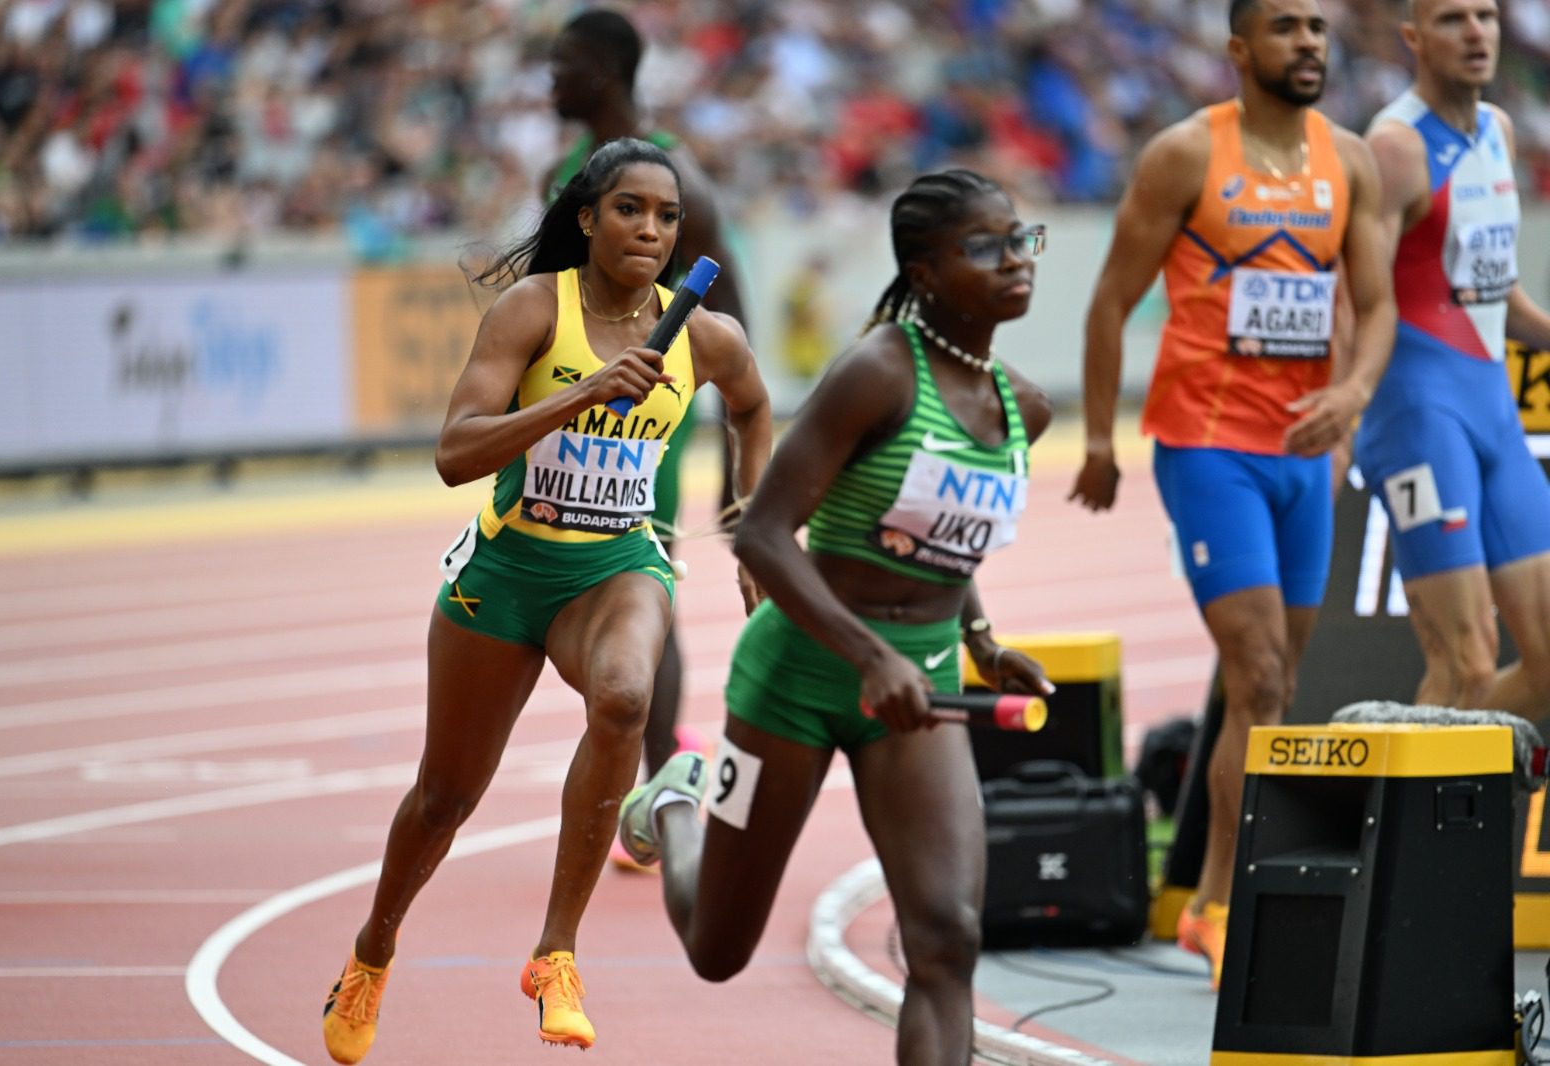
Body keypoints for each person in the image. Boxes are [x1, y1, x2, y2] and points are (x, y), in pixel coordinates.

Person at [320, 137, 771, 1063]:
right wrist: (582, 395)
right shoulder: (535, 309)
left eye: (667, 215)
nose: (650, 229)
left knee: (624, 701)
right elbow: (456, 452)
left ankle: (555, 952)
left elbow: (756, 405)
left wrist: (747, 514)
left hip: (616, 568)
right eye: (629, 209)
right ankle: (373, 953)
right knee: (445, 798)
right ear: (587, 219)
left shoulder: (702, 333)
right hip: (506, 574)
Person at [618, 169, 1057, 1066]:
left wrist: (978, 638)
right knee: (716, 950)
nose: (1015, 261)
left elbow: (937, 539)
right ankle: (674, 805)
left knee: (948, 937)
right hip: (801, 675)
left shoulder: (1023, 406)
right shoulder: (877, 373)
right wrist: (867, 656)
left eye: (1023, 240)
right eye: (986, 247)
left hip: (920, 683)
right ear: (926, 271)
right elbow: (766, 539)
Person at [1068, 0, 1396, 989]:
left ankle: (1215, 894)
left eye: (1318, 29)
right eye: (1286, 27)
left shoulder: (1350, 160)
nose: (1308, 44)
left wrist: (1351, 392)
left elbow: (1373, 304)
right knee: (1254, 676)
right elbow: (1110, 302)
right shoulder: (1183, 156)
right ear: (1238, 49)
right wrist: (1094, 436)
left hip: (1306, 455)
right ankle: (1217, 901)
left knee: (1276, 689)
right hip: (1208, 447)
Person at [544, 9, 752, 866]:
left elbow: (732, 320)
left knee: (643, 574)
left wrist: (741, 469)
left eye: (564, 63)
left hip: (646, 420)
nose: (549, 79)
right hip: (563, 401)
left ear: (606, 68)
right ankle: (649, 768)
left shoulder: (677, 181)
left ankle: (664, 776)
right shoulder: (572, 169)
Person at [1355, 0, 1550, 717]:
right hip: (1416, 418)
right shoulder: (1395, 147)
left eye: (1486, 16)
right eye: (1451, 19)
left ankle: (1427, 797)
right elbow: (1362, 299)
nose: (1475, 33)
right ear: (1412, 37)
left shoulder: (1498, 131)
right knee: (1465, 666)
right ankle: (1407, 818)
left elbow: (1500, 301)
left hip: (1493, 415)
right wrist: (1345, 405)